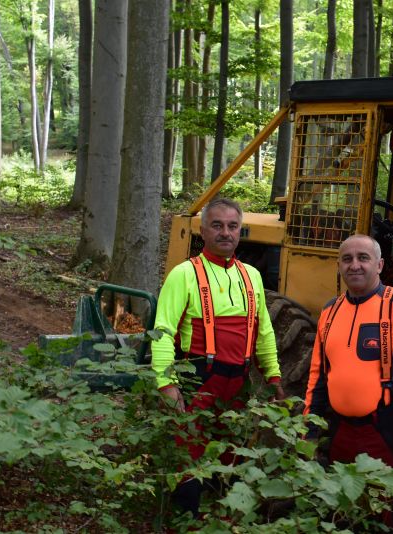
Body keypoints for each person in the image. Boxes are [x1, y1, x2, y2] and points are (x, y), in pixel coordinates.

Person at [151, 197, 284, 516]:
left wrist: (274, 376)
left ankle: (224, 518)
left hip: (238, 384)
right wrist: (166, 384)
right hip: (198, 379)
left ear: (240, 231)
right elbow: (163, 331)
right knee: (189, 455)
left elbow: (263, 330)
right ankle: (184, 520)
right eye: (218, 225)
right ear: (203, 230)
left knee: (230, 455)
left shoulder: (251, 276)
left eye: (232, 226)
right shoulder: (183, 274)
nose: (226, 233)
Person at [304, 234, 393, 533]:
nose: (354, 265)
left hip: (389, 430)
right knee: (344, 513)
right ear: (339, 265)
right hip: (340, 431)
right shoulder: (329, 311)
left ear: (379, 265)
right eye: (347, 259)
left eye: (363, 258)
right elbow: (316, 375)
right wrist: (309, 430)